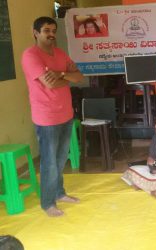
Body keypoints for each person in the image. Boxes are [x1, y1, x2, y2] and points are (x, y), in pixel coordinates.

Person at [21, 16, 84, 217]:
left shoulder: (59, 52)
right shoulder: (31, 55)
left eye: (53, 30)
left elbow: (79, 76)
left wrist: (61, 74)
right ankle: (47, 203)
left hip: (65, 113)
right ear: (36, 32)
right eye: (46, 30)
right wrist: (65, 76)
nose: (51, 34)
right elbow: (50, 84)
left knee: (60, 159)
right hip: (46, 117)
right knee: (49, 162)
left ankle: (59, 193)